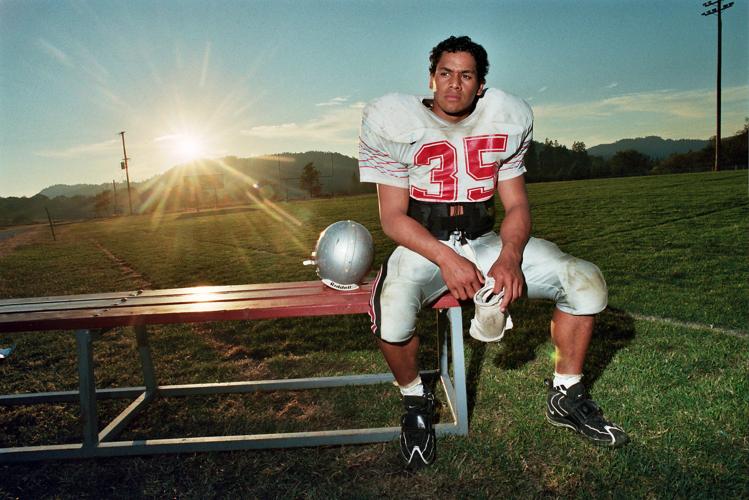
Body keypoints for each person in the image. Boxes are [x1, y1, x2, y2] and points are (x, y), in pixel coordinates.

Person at [358, 35, 628, 468]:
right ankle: (415, 403)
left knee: (585, 281)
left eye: (466, 75)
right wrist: (446, 258)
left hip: (485, 239)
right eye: (445, 73)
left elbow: (517, 205)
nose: (454, 84)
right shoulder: (392, 119)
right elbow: (393, 218)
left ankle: (566, 391)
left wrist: (509, 255)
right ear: (432, 77)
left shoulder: (507, 118)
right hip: (425, 244)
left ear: (480, 85)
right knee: (392, 317)